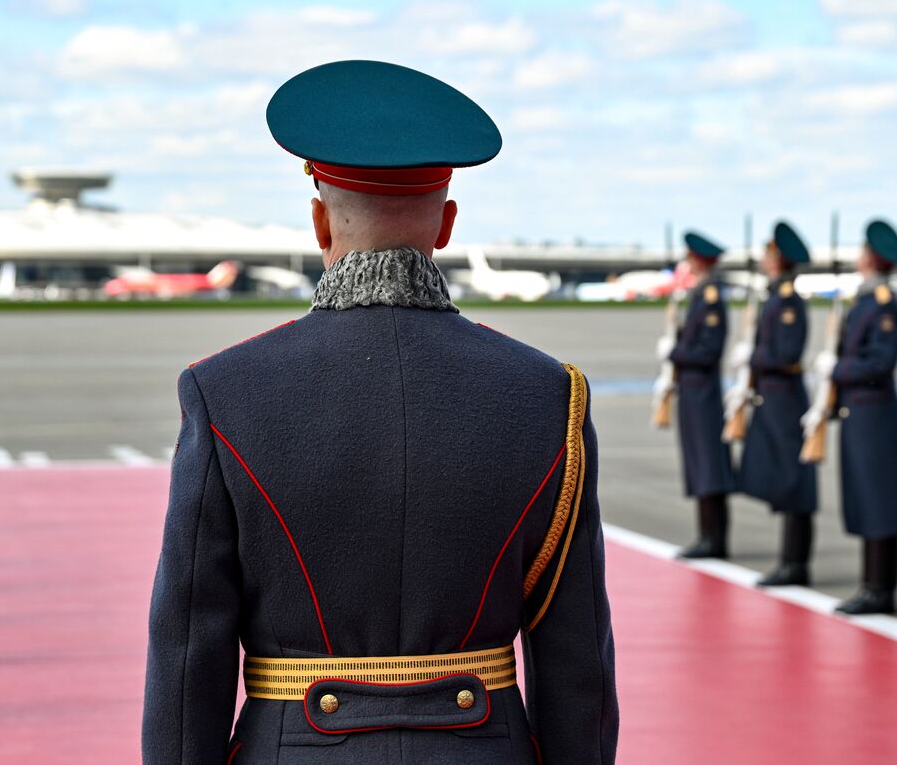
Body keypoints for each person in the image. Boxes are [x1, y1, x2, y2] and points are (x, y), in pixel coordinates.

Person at [142, 60, 618, 764]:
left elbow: (188, 654)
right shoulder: (549, 396)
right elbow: (577, 661)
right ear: (447, 223)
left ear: (318, 221)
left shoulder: (224, 392)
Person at [818, 220, 897, 615]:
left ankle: (880, 588)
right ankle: (872, 584)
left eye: (864, 252)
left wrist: (837, 369)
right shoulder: (864, 301)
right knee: (866, 497)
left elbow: (879, 362)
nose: (858, 258)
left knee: (879, 502)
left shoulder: (882, 304)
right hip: (859, 412)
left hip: (873, 414)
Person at [734, 222, 817, 586]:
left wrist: (753, 357)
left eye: (770, 254)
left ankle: (795, 563)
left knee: (794, 481)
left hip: (785, 398)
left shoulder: (787, 303)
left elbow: (785, 353)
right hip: (773, 396)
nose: (765, 260)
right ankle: (789, 560)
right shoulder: (774, 297)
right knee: (783, 479)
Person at [663, 232, 737, 559]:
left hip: (703, 391)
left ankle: (714, 538)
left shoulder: (709, 299)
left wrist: (675, 352)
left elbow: (708, 351)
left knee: (709, 465)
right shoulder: (699, 295)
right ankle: (707, 534)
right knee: (699, 462)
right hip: (693, 390)